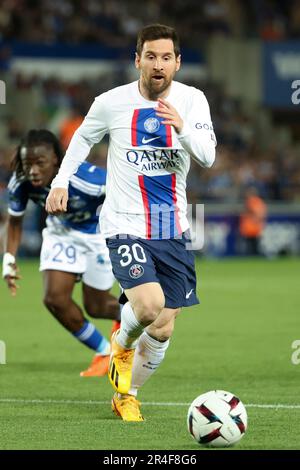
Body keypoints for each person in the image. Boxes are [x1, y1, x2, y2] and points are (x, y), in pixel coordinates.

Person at [46, 24, 216, 421]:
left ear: (177, 63)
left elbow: (207, 156)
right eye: (151, 56)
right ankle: (120, 343)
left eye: (166, 57)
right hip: (124, 221)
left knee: (163, 327)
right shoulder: (110, 102)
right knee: (149, 305)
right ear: (137, 59)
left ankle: (127, 393)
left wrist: (183, 129)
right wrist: (60, 182)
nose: (158, 64)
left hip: (171, 225)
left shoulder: (193, 101)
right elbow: (82, 140)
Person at [2, 129, 120, 377]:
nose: (32, 170)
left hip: (97, 236)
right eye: (27, 164)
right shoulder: (20, 182)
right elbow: (14, 222)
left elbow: (127, 193)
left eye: (39, 163)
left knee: (97, 306)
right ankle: (104, 352)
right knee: (54, 299)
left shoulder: (89, 180)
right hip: (61, 233)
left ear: (56, 159)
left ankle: (136, 316)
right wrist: (9, 259)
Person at [239, 186, 267, 256]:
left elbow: (254, 212)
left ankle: (255, 257)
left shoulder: (253, 201)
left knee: (252, 247)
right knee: (253, 246)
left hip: (252, 228)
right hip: (253, 228)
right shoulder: (259, 202)